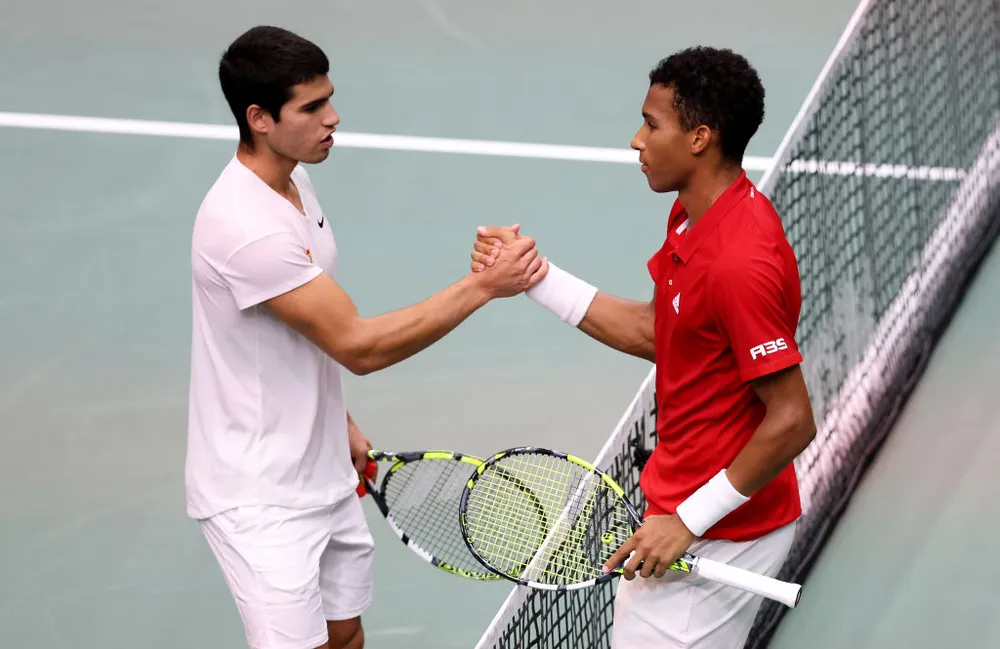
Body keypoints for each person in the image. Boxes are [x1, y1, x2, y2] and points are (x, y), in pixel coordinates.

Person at [186, 25, 548, 649]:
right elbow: (358, 345)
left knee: (346, 637)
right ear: (259, 119)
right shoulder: (247, 228)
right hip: (262, 498)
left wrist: (336, 421)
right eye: (312, 107)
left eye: (330, 98)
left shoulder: (293, 181)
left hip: (321, 464)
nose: (333, 117)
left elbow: (296, 332)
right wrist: (483, 286)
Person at [471, 46, 817, 649]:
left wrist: (687, 521)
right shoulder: (693, 218)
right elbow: (658, 333)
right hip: (690, 509)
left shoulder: (739, 261)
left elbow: (791, 420)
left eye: (652, 124)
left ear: (699, 138)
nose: (636, 139)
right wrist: (534, 276)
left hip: (720, 530)